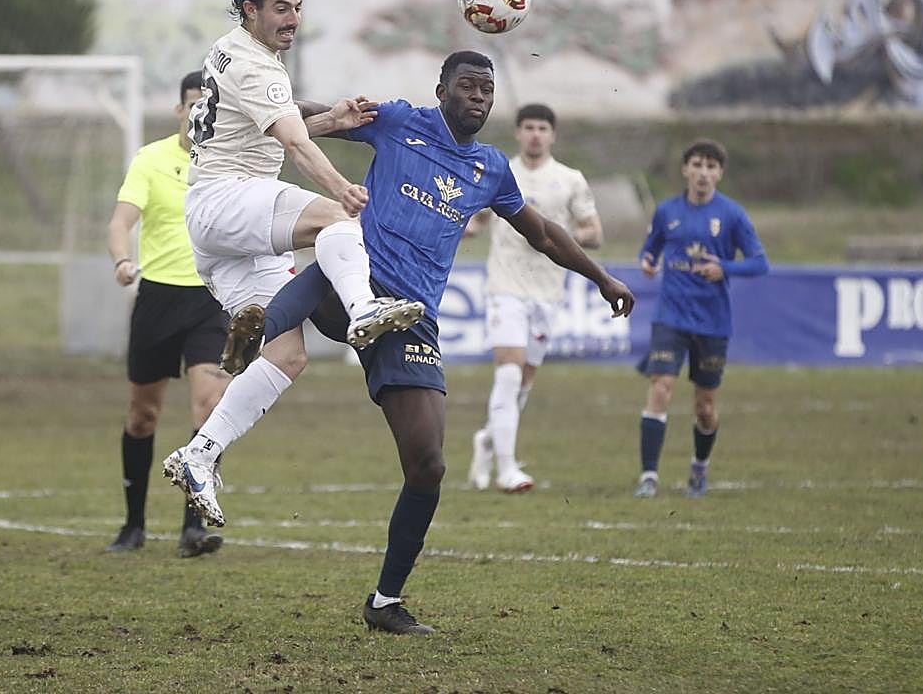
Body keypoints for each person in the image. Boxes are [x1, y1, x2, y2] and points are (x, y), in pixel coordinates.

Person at [169, 51, 635, 634]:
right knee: (337, 243)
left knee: (428, 465)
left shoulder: (490, 168)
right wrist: (251, 109)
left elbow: (540, 232)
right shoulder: (397, 120)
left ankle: (385, 601)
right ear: (441, 90)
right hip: (356, 279)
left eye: (487, 90)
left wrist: (601, 277)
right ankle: (259, 327)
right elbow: (312, 115)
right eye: (467, 86)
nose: (478, 97)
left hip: (410, 318)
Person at [161, 0, 423, 503]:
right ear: (249, 9)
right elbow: (293, 144)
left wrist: (333, 121)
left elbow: (269, 127)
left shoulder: (235, 51)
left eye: (298, 7)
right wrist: (341, 188)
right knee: (338, 218)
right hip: (227, 200)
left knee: (286, 356)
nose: (293, 19)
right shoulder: (254, 63)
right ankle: (363, 309)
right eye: (281, 8)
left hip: (225, 228)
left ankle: (199, 455)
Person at [104, 70, 231, 558]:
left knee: (209, 407)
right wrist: (122, 260)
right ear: (180, 109)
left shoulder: (229, 164)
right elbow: (121, 222)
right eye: (194, 104)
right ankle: (133, 525)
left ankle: (193, 527)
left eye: (209, 106)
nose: (200, 113)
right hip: (157, 299)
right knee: (143, 415)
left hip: (210, 300)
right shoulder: (150, 159)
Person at [464, 103, 604, 493]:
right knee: (508, 374)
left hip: (547, 292)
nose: (535, 134)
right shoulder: (499, 172)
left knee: (522, 385)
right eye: (528, 127)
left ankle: (487, 440)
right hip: (505, 286)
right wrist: (460, 226)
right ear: (518, 132)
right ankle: (507, 470)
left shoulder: (570, 179)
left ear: (552, 134)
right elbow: (476, 221)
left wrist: (561, 236)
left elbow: (594, 232)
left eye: (542, 128)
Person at [633, 138, 768, 499]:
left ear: (719, 173)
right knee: (660, 386)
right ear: (685, 170)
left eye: (711, 167)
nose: (703, 173)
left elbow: (760, 263)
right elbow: (650, 249)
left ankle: (700, 465)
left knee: (705, 407)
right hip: (671, 316)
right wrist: (647, 262)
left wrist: (724, 268)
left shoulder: (732, 215)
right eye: (697, 165)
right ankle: (649, 476)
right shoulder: (666, 211)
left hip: (712, 321)